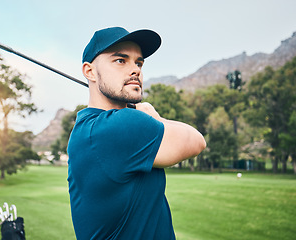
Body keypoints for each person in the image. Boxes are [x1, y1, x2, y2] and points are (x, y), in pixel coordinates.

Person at [67, 27, 206, 240]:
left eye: (138, 62)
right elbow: (197, 141)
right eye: (121, 61)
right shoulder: (119, 126)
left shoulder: (86, 129)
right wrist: (155, 118)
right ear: (90, 71)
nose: (136, 70)